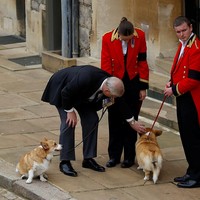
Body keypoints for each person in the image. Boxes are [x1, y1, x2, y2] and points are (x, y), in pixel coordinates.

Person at [41, 65, 145, 177]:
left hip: (82, 95)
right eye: (112, 96)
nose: (113, 99)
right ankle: (65, 161)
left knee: (92, 119)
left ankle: (88, 159)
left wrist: (132, 122)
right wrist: (70, 111)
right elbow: (66, 92)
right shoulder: (86, 78)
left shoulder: (111, 82)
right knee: (68, 122)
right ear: (106, 90)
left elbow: (120, 102)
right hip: (62, 89)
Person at [101, 17, 149, 168]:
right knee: (114, 119)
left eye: (130, 40)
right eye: (125, 39)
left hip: (133, 82)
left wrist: (143, 87)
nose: (128, 42)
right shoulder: (107, 38)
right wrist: (109, 88)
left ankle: (129, 157)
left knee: (132, 118)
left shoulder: (140, 35)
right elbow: (105, 64)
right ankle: (114, 156)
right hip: (115, 81)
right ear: (119, 34)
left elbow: (142, 61)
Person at [164, 16, 200, 188]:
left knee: (193, 138)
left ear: (191, 28)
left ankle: (197, 175)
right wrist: (171, 81)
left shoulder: (196, 48)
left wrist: (174, 89)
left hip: (192, 99)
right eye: (178, 32)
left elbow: (193, 79)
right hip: (183, 97)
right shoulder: (183, 45)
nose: (182, 34)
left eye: (184, 30)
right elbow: (179, 70)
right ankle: (192, 170)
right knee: (186, 136)